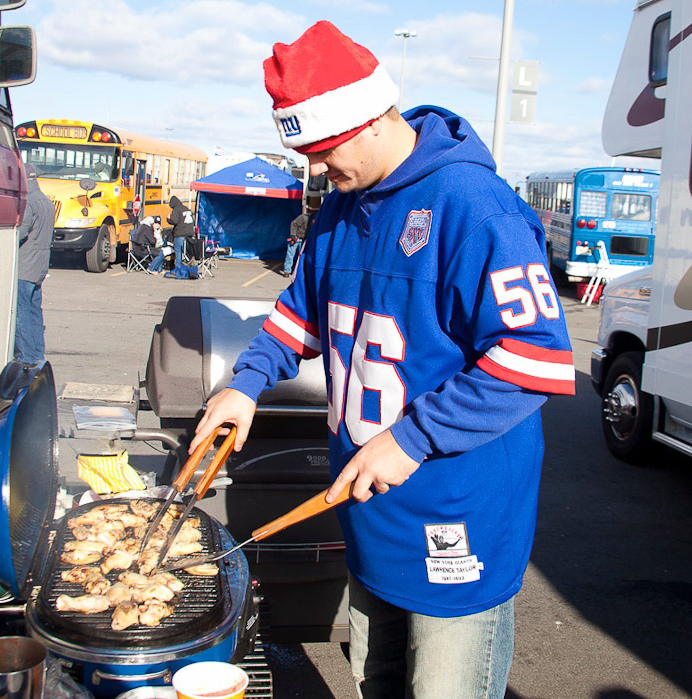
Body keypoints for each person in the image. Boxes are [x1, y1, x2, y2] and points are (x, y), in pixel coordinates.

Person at [189, 21, 575, 699]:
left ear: (367, 121)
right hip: (369, 514)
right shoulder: (341, 208)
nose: (313, 168)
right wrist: (245, 385)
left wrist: (412, 436)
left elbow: (535, 358)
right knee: (378, 682)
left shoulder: (475, 208)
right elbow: (299, 316)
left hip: (458, 516)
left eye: (320, 148)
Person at [15, 171, 54, 366]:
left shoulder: (29, 202)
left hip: (25, 265)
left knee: (21, 312)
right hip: (39, 266)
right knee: (35, 312)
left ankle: (27, 357)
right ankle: (38, 353)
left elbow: (21, 233)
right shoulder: (47, 202)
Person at [167, 195, 195, 270]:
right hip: (189, 234)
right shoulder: (186, 208)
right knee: (187, 252)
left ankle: (178, 269)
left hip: (180, 234)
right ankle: (190, 267)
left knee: (178, 251)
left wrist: (169, 218)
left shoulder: (176, 209)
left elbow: (174, 221)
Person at [283, 209, 314, 276]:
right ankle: (287, 271)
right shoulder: (303, 217)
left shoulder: (313, 223)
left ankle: (298, 271)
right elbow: (294, 224)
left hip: (303, 239)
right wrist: (293, 235)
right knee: (290, 254)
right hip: (296, 237)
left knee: (302, 255)